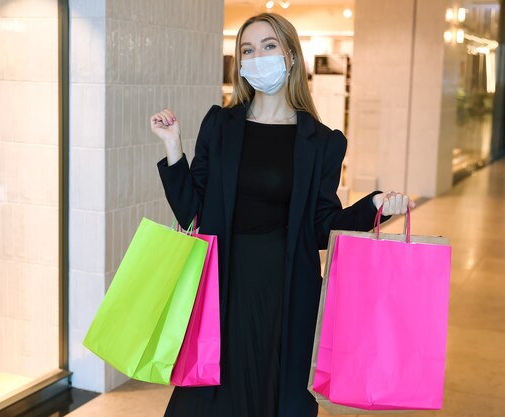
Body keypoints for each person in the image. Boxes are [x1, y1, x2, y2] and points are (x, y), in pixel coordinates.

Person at [151, 13, 415, 417]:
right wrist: (173, 148)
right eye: (247, 50)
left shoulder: (322, 142)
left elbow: (320, 230)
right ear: (239, 63)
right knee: (207, 396)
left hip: (287, 287)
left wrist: (373, 206)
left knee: (276, 395)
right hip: (223, 283)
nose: (258, 57)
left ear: (291, 56)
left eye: (269, 46)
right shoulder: (220, 125)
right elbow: (194, 214)